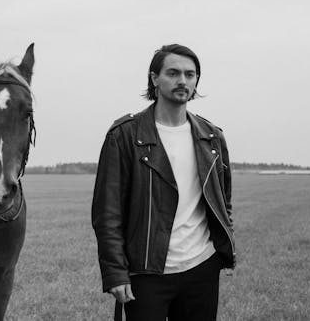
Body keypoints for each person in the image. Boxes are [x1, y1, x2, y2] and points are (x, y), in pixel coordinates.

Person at [91, 44, 235, 321]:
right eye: (173, 73)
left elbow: (222, 199)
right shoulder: (124, 135)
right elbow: (107, 213)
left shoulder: (212, 137)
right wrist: (116, 273)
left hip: (202, 268)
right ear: (155, 78)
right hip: (146, 272)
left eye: (190, 75)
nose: (183, 81)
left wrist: (220, 251)